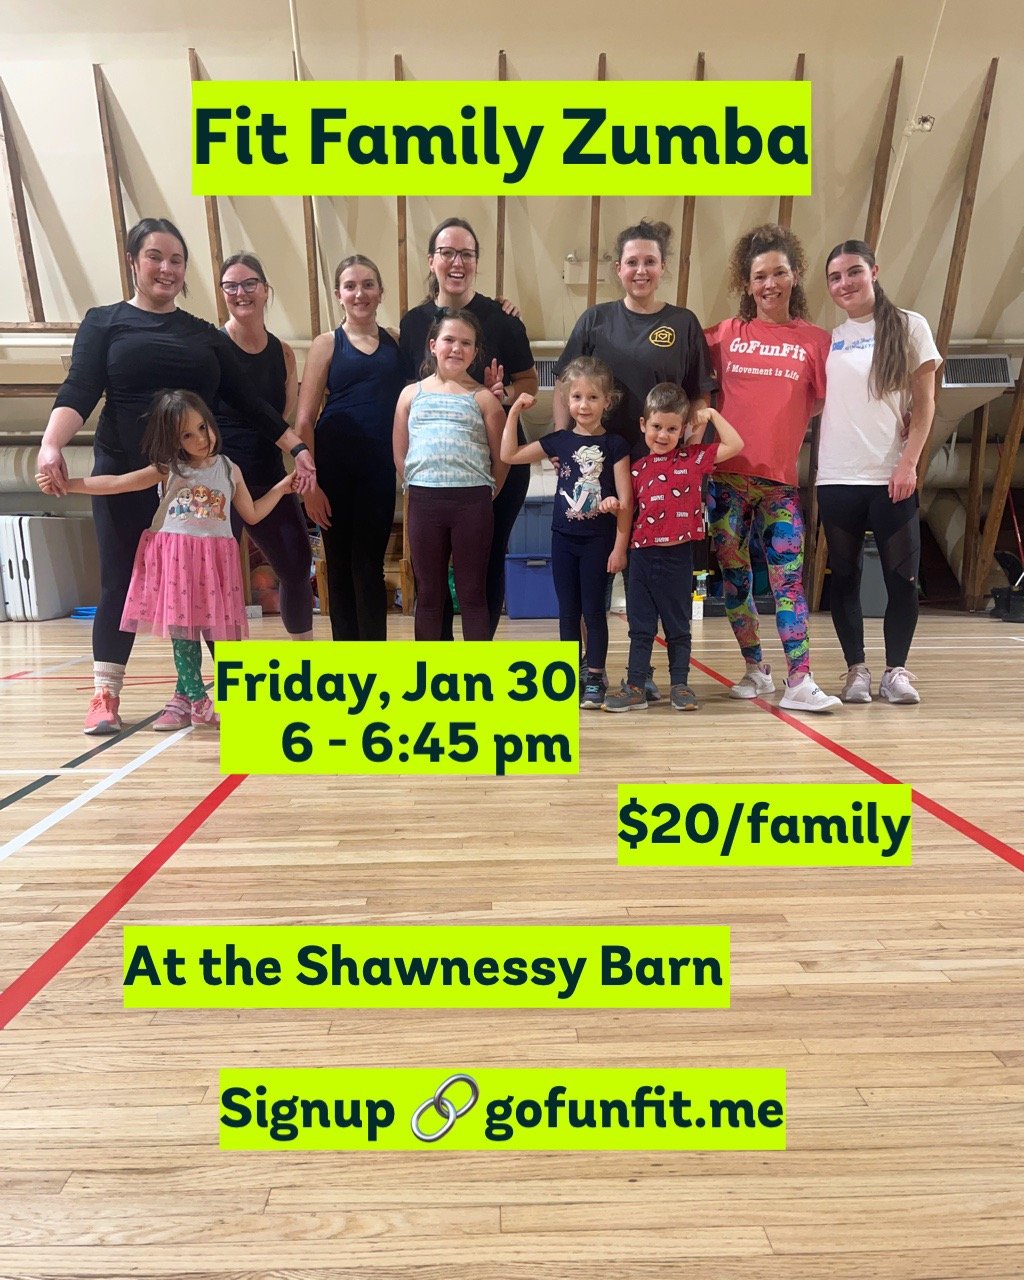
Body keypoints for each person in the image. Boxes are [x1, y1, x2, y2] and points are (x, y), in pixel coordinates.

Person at [36, 217, 315, 735]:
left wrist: (295, 447)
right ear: (133, 261)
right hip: (126, 468)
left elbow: (249, 404)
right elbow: (79, 389)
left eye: (176, 259)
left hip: (196, 483)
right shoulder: (104, 323)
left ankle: (209, 692)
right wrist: (51, 445)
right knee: (119, 580)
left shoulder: (204, 336)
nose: (166, 268)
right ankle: (105, 695)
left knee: (204, 586)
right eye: (155, 257)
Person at [36, 391, 296, 731]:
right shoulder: (170, 469)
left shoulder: (229, 470)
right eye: (187, 435)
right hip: (178, 563)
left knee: (223, 637)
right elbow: (117, 483)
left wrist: (281, 488)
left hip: (216, 564)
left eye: (202, 428)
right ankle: (198, 702)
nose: (200, 439)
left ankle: (191, 700)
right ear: (174, 441)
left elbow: (252, 513)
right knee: (184, 636)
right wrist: (66, 485)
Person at [553, 219, 718, 699]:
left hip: (657, 478)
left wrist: (688, 451)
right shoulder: (595, 320)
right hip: (597, 473)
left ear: (663, 267)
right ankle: (590, 671)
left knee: (647, 583)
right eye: (632, 262)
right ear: (618, 269)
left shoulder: (683, 323)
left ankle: (644, 674)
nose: (640, 270)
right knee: (592, 582)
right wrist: (563, 444)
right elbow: (565, 384)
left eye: (649, 261)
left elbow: (700, 397)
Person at [704, 224, 841, 714]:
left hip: (780, 485)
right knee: (735, 582)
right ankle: (756, 669)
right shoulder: (722, 335)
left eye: (779, 273)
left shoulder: (817, 342)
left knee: (788, 581)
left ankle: (799, 680)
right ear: (746, 282)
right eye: (760, 275)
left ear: (795, 275)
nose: (770, 284)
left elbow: (826, 403)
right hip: (726, 482)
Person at [399, 217, 537, 637]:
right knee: (431, 581)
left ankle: (477, 661)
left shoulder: (503, 319)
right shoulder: (413, 322)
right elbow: (410, 398)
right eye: (447, 253)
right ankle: (439, 662)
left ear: (476, 261)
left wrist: (502, 394)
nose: (456, 262)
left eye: (466, 254)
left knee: (484, 568)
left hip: (493, 467)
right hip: (433, 475)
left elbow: (529, 383)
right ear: (432, 260)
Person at [817, 240, 941, 705]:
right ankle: (856, 670)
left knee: (901, 580)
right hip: (836, 476)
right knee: (844, 578)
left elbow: (925, 403)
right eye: (835, 277)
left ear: (873, 271)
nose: (844, 283)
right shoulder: (830, 339)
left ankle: (896, 672)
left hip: (890, 475)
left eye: (853, 272)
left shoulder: (909, 325)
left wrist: (908, 462)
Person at [600, 384, 744, 713]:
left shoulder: (694, 459)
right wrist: (611, 504)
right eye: (656, 427)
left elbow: (736, 445)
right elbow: (625, 508)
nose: (663, 435)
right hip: (642, 558)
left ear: (683, 430)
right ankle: (635, 686)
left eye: (671, 429)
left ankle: (680, 684)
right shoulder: (636, 469)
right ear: (643, 425)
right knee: (640, 627)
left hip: (678, 558)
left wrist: (712, 415)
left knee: (678, 627)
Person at [501, 358, 632, 709]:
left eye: (592, 397)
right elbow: (509, 454)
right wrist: (514, 413)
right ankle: (570, 674)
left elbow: (626, 502)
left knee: (593, 611)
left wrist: (619, 547)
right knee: (568, 612)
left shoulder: (615, 445)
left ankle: (595, 677)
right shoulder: (559, 441)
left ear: (607, 401)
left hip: (598, 542)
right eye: (576, 397)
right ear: (566, 400)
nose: (584, 405)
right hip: (563, 540)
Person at [297, 255, 409, 640]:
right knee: (340, 566)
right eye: (350, 286)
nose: (359, 293)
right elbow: (304, 420)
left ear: (380, 292)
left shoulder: (396, 341)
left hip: (378, 471)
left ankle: (372, 660)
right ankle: (347, 659)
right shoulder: (327, 344)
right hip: (333, 470)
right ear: (338, 294)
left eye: (367, 284)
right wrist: (310, 486)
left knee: (369, 566)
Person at [393, 310, 508, 641]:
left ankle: (475, 669)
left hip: (472, 502)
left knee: (472, 592)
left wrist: (487, 493)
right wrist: (415, 486)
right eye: (449, 340)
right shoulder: (410, 395)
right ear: (433, 345)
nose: (457, 348)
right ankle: (430, 669)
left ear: (475, 352)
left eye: (466, 343)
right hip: (424, 500)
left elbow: (502, 457)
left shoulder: (483, 399)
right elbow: (400, 453)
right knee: (429, 593)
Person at [217, 252, 313, 641]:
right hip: (221, 480)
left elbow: (280, 414)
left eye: (249, 284)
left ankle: (304, 661)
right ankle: (227, 667)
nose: (241, 292)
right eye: (231, 286)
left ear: (265, 290)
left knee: (296, 564)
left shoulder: (283, 352)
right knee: (219, 578)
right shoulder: (213, 347)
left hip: (269, 475)